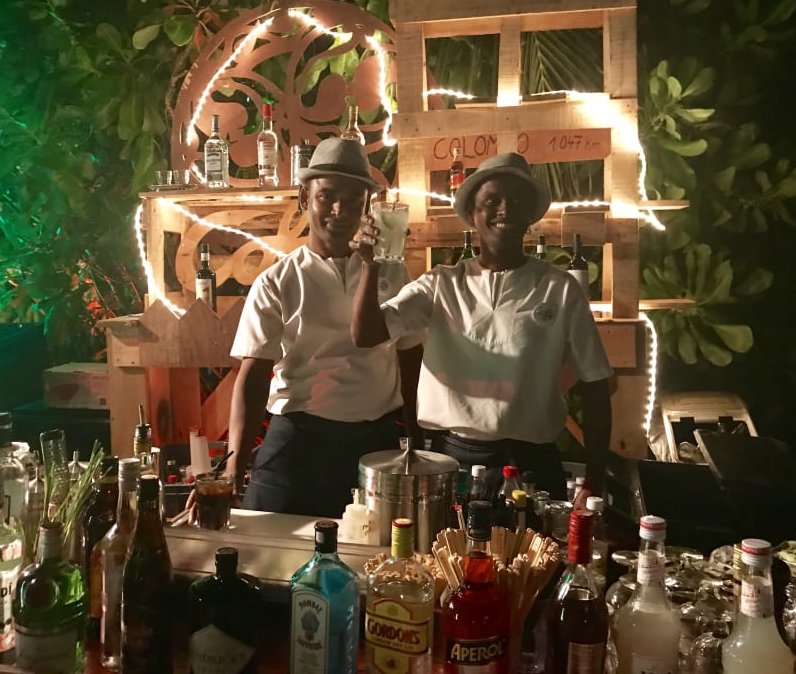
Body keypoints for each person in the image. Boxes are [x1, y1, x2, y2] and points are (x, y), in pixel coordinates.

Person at [351, 151, 613, 504]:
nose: (505, 209)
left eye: (517, 201)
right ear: (472, 214)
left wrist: (594, 480)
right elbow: (366, 334)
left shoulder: (559, 288)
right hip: (451, 462)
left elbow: (595, 385)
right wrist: (370, 267)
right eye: (492, 201)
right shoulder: (441, 284)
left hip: (532, 465)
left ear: (529, 215)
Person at [226, 137, 423, 517]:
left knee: (376, 548)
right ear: (305, 198)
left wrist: (418, 440)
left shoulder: (391, 271)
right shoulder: (278, 280)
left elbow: (411, 358)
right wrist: (233, 467)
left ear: (367, 205)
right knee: (267, 540)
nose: (339, 209)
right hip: (297, 439)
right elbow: (254, 375)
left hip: (375, 441)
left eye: (353, 199)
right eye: (327, 196)